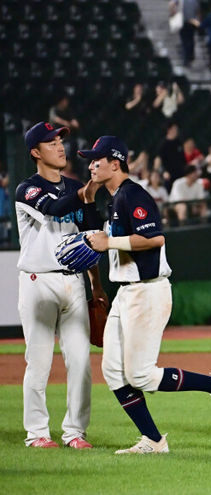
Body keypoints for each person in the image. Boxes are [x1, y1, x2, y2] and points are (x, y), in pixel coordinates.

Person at [80, 136, 211, 454]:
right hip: (126, 293)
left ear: (115, 163)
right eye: (89, 160)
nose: (90, 165)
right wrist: (87, 202)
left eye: (96, 159)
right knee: (113, 371)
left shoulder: (133, 194)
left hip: (148, 291)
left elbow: (155, 239)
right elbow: (99, 237)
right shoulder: (114, 199)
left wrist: (110, 244)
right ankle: (153, 440)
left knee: (140, 374)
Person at [15, 122, 104, 449]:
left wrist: (96, 283)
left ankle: (75, 433)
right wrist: (86, 193)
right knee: (38, 362)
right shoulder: (28, 189)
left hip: (74, 283)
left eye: (60, 141)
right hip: (38, 283)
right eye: (50, 142)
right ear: (35, 152)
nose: (59, 146)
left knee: (80, 362)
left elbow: (93, 233)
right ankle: (37, 433)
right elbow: (53, 208)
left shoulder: (76, 186)